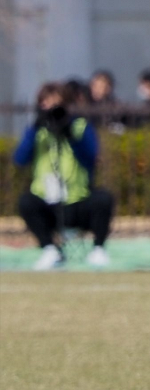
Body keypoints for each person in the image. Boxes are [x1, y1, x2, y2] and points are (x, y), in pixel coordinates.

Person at [14, 82, 116, 269]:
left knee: (104, 199)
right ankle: (49, 250)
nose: (52, 111)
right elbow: (20, 159)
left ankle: (98, 250)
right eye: (46, 105)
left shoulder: (80, 127)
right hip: (47, 201)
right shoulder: (36, 131)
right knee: (26, 202)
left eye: (57, 105)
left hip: (78, 199)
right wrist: (34, 129)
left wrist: (70, 135)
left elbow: (91, 159)